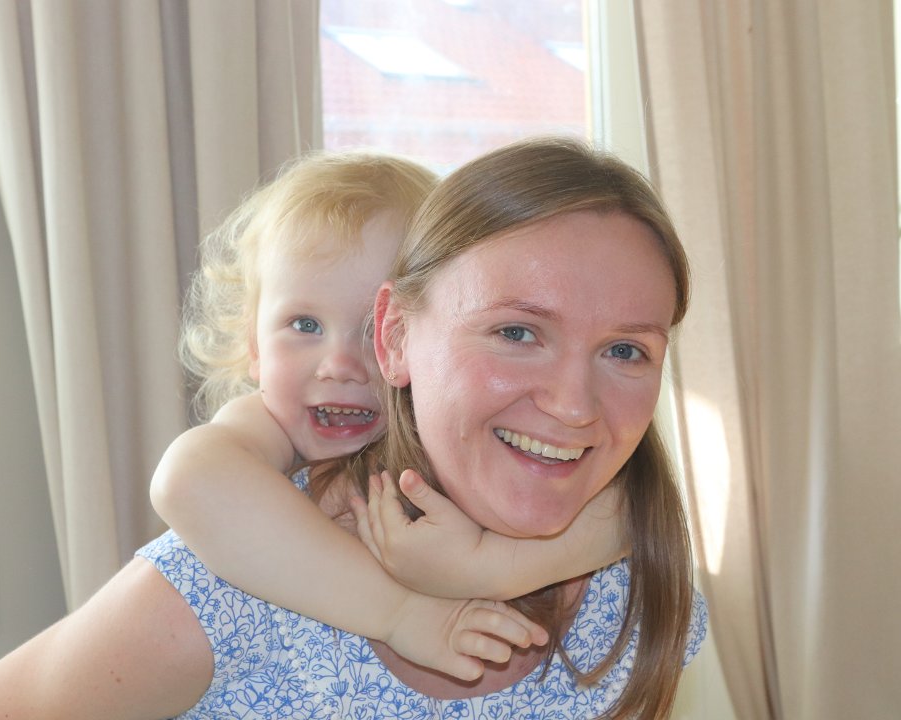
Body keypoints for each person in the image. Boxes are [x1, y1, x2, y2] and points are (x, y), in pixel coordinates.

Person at [0, 137, 707, 720]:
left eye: (625, 350)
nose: (573, 405)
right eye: (516, 332)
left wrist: (490, 569)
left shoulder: (632, 590)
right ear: (400, 335)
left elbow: (639, 514)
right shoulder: (248, 570)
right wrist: (413, 605)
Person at [148, 147, 628, 681]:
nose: (339, 365)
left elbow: (631, 511)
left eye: (371, 331)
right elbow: (186, 479)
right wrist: (401, 614)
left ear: (413, 338)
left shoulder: (469, 446)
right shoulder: (262, 429)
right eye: (304, 325)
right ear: (253, 345)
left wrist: (490, 568)